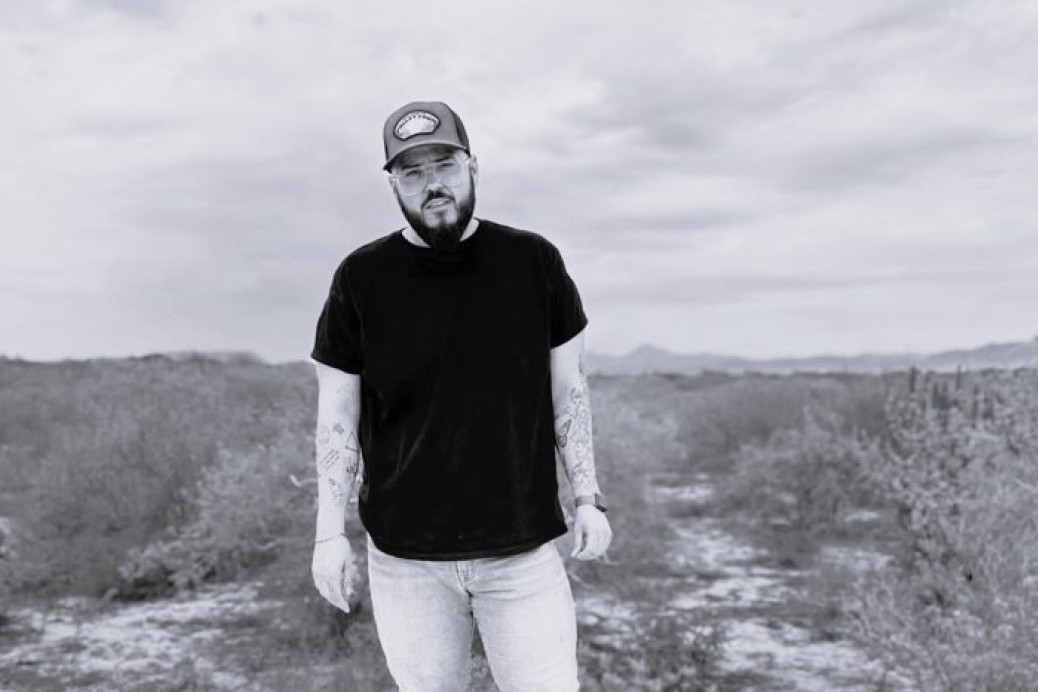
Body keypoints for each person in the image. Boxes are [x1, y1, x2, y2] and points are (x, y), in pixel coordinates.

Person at [309, 100, 612, 692]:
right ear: (394, 185)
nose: (433, 185)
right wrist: (328, 534)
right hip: (406, 560)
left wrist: (588, 498)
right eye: (412, 172)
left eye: (444, 165)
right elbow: (337, 416)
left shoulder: (533, 262)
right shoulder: (360, 278)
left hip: (521, 551)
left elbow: (569, 392)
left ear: (473, 166)